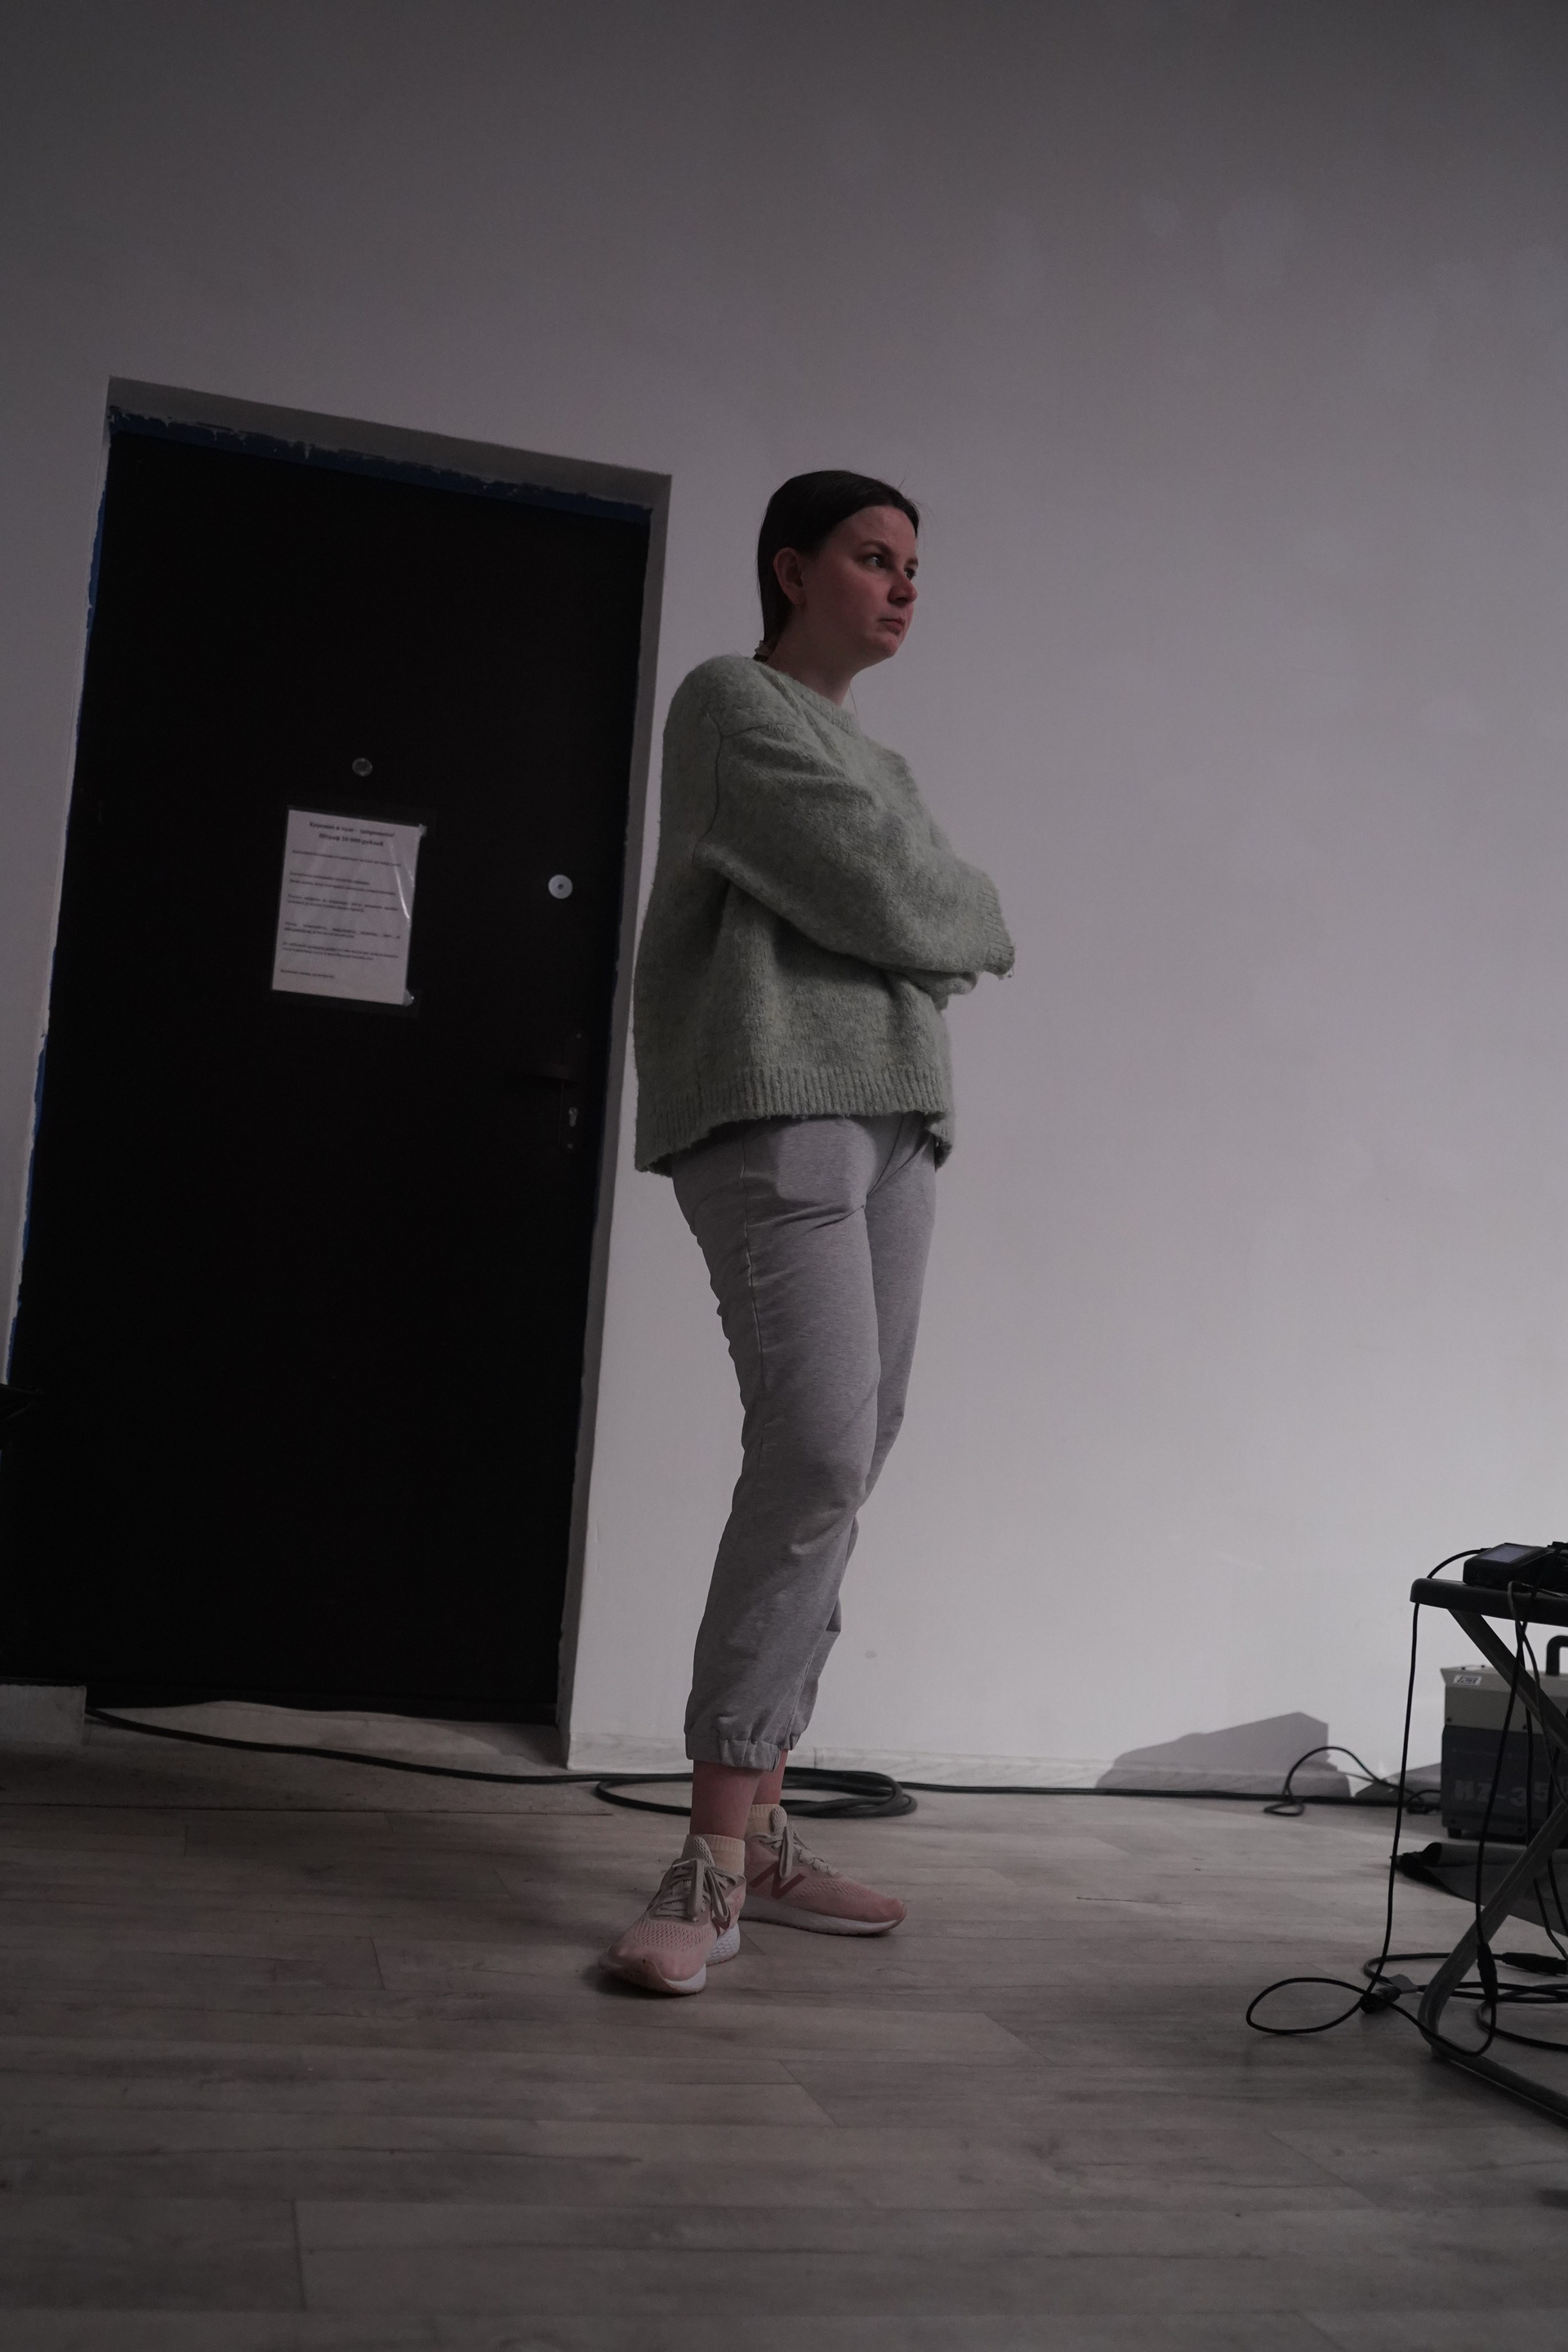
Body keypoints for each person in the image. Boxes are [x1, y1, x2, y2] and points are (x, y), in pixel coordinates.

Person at [603, 471, 1014, 1994]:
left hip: (901, 1120)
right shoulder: (732, 703)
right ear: (792, 569)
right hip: (775, 1103)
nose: (902, 587)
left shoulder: (878, 759)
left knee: (851, 1458)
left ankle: (764, 1829)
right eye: (872, 557)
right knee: (820, 1448)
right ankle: (709, 1857)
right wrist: (935, 913)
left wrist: (929, 909)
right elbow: (913, 902)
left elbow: (925, 906)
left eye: (914, 566)